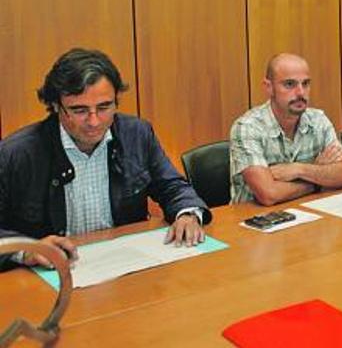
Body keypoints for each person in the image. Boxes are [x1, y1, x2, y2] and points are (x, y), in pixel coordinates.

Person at [0, 48, 211, 271]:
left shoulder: (136, 134)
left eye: (104, 107)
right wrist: (26, 250)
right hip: (50, 275)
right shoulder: (18, 153)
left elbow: (172, 186)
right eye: (79, 110)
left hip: (126, 267)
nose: (94, 122)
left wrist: (187, 213)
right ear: (55, 106)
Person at [229, 53, 342, 205]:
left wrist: (299, 170)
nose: (301, 92)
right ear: (269, 88)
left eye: (306, 83)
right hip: (255, 221)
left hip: (307, 214)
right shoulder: (247, 127)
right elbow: (269, 194)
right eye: (289, 84)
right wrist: (318, 179)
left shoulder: (318, 120)